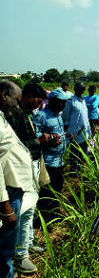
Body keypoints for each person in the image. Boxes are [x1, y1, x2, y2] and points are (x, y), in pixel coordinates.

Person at [6, 83, 47, 274]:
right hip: (18, 171)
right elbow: (17, 144)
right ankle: (21, 255)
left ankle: (28, 244)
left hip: (30, 166)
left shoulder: (24, 114)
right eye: (37, 101)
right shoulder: (14, 114)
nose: (39, 105)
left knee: (30, 211)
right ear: (27, 96)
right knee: (23, 213)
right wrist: (40, 141)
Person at [0, 81, 33, 278]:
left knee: (5, 251)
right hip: (7, 196)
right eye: (16, 101)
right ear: (4, 95)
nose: (18, 106)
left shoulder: (3, 117)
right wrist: (5, 207)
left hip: (12, 191)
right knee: (4, 254)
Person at [33, 89, 70, 225]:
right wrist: (48, 141)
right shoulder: (41, 116)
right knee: (47, 192)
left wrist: (66, 136)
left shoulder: (58, 116)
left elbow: (58, 133)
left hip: (58, 161)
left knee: (57, 188)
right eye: (61, 102)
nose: (63, 105)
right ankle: (43, 220)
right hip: (47, 161)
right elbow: (34, 137)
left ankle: (54, 213)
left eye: (64, 102)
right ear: (53, 101)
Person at [62, 83, 91, 172]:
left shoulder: (83, 101)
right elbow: (65, 117)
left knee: (83, 153)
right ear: (75, 89)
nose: (81, 90)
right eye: (79, 88)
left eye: (82, 89)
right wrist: (67, 131)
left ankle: (81, 170)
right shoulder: (70, 101)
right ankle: (74, 172)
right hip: (75, 132)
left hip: (85, 132)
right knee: (74, 153)